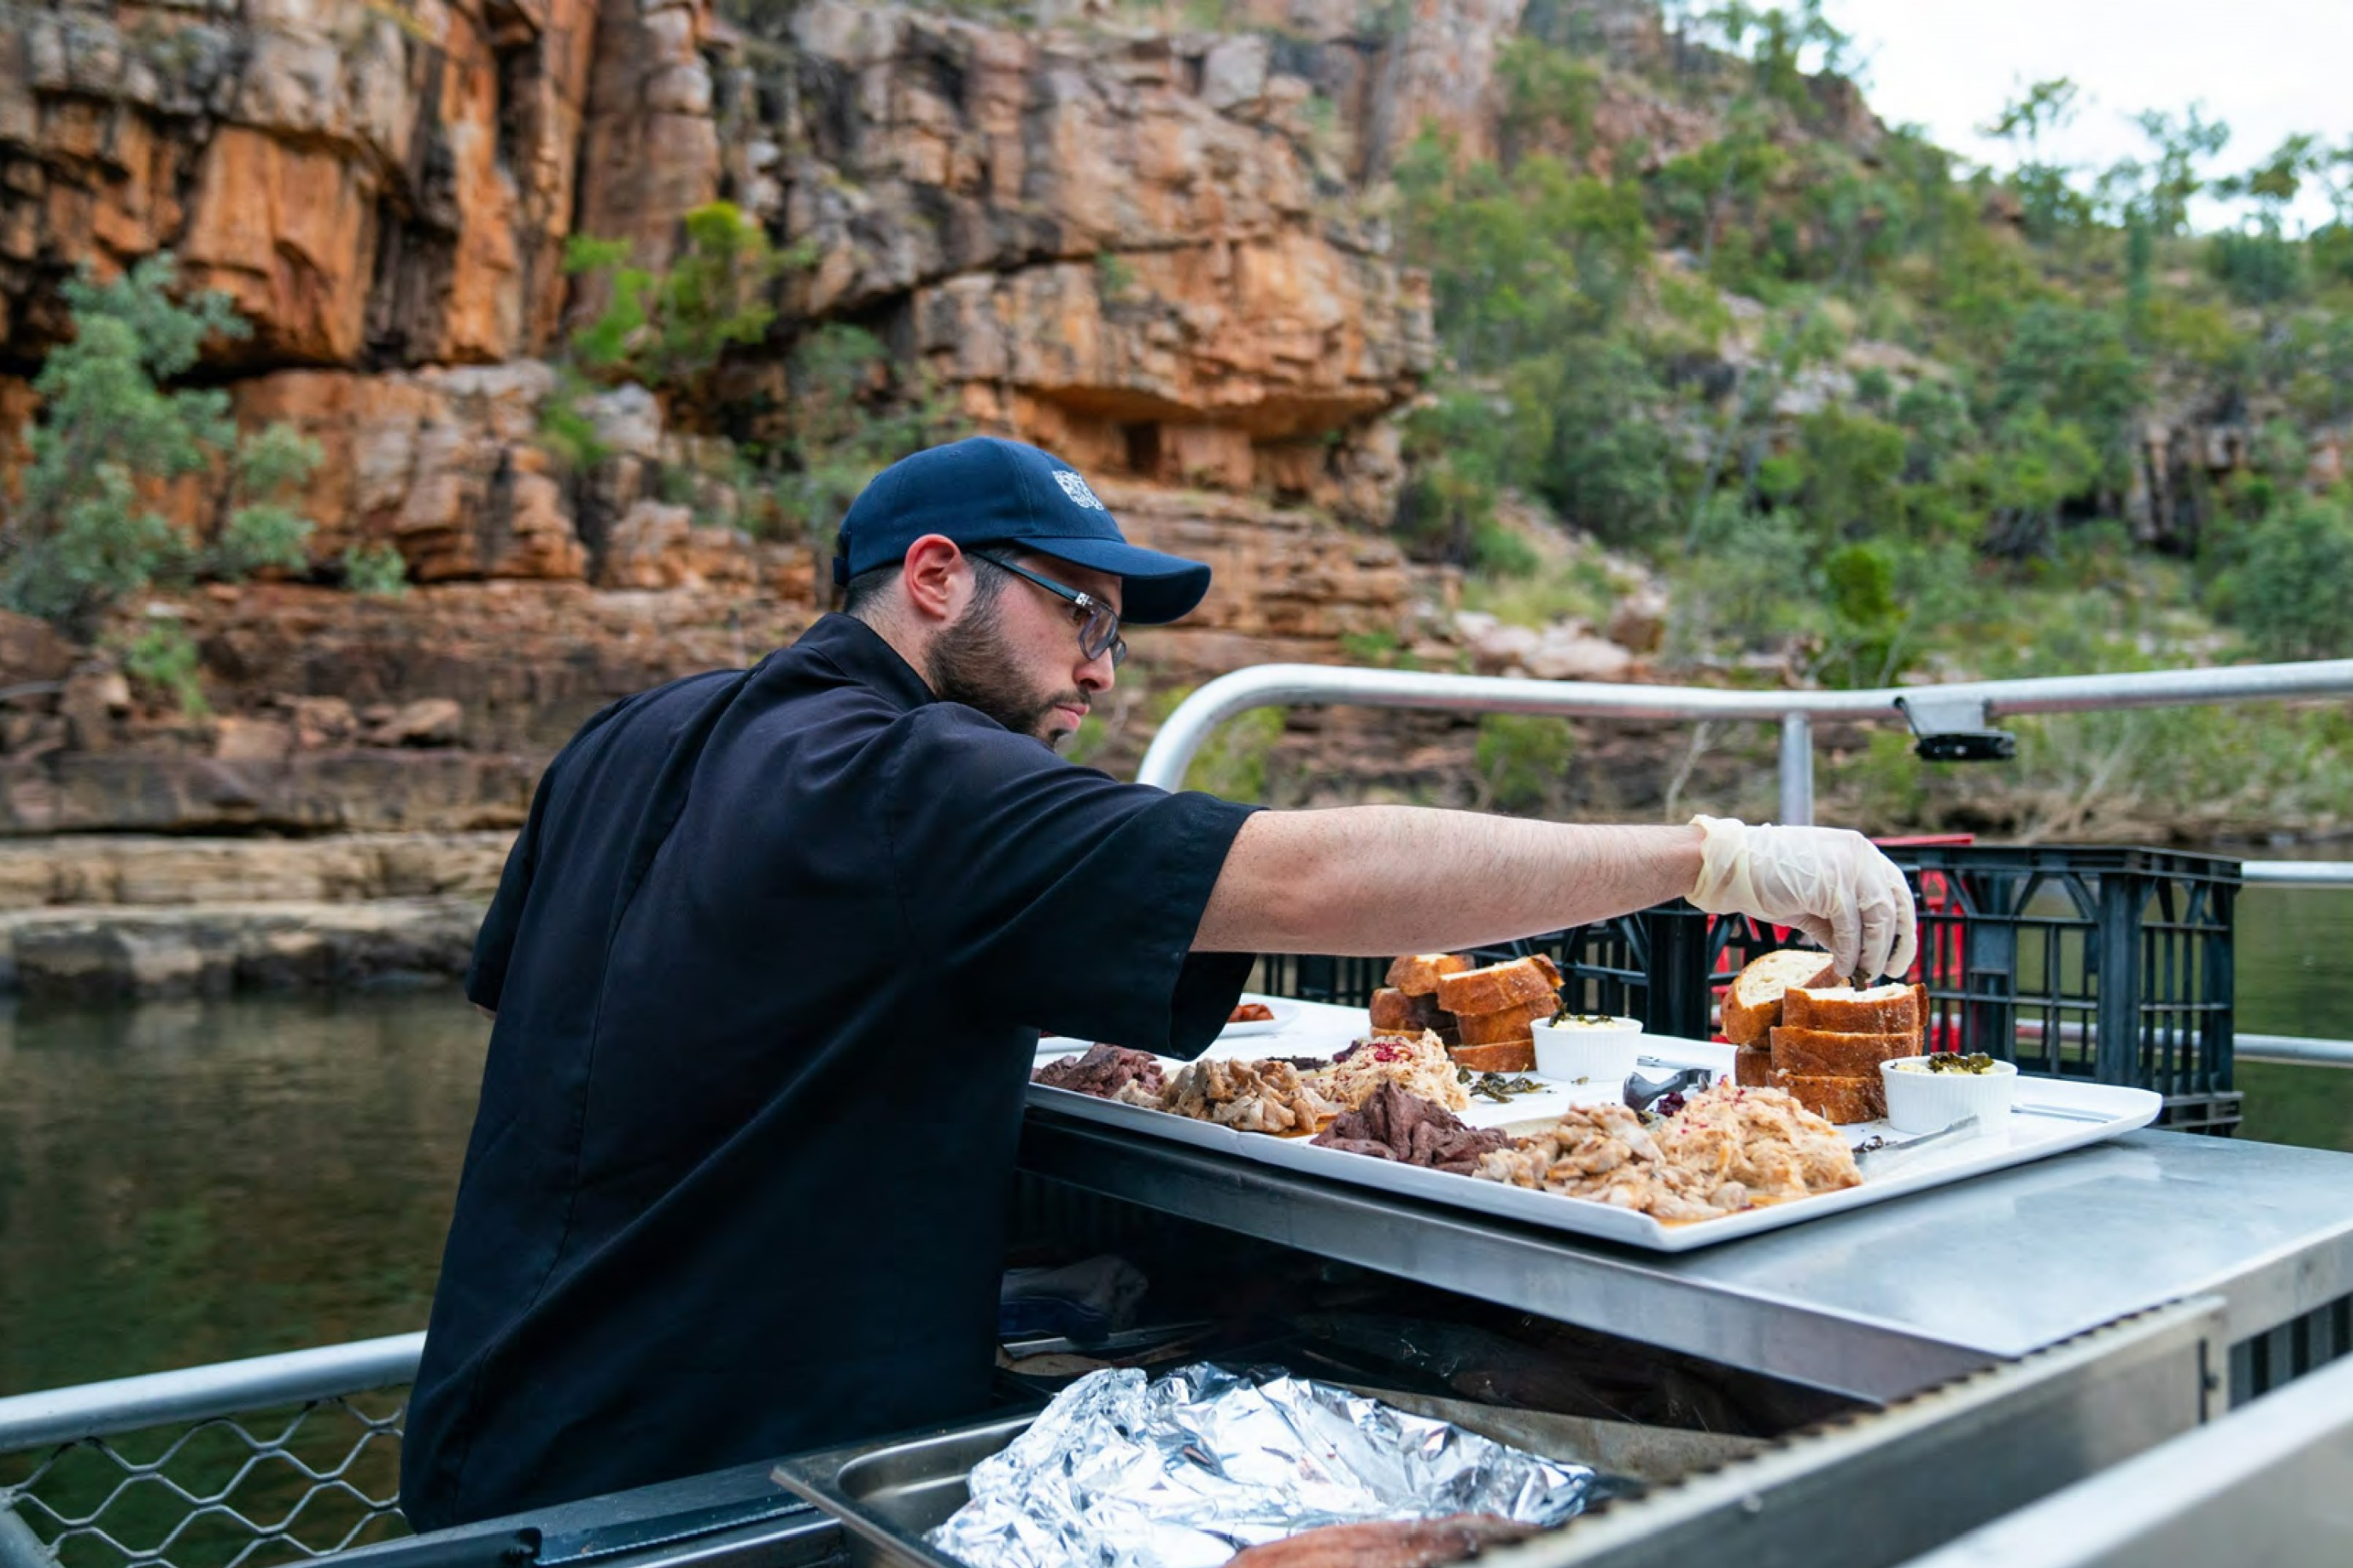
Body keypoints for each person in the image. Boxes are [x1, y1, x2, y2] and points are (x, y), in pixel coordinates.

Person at [399, 436, 1917, 1530]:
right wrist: (1708, 858)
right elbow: (1309, 880)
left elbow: (605, 1022)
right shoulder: (913, 777)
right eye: (1081, 611)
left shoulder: (628, 736)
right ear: (935, 578)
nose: (1104, 667)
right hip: (712, 1489)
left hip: (488, 1447)